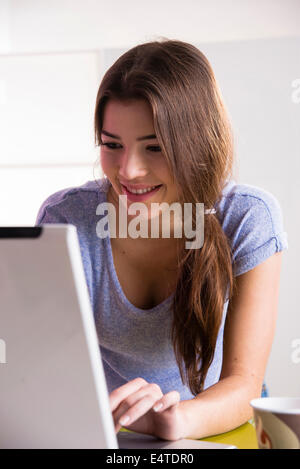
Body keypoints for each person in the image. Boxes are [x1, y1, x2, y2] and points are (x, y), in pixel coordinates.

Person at [35, 39, 288, 441]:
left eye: (154, 147)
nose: (129, 170)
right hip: (115, 435)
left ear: (197, 143)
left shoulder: (247, 218)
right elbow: (44, 367)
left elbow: (245, 385)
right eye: (111, 145)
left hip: (217, 430)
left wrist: (175, 420)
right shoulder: (67, 219)